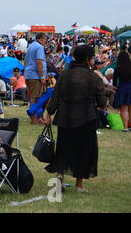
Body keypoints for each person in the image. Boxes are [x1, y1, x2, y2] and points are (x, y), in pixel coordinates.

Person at [44, 45, 106, 193]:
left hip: (65, 116)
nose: (93, 60)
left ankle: (60, 179)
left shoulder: (65, 74)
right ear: (87, 59)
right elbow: (102, 102)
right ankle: (79, 185)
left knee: (64, 148)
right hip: (87, 117)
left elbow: (55, 96)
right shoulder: (94, 77)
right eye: (92, 57)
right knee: (84, 150)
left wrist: (49, 114)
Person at [24, 33, 48, 123]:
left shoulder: (31, 46)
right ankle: (35, 118)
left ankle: (36, 117)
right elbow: (39, 62)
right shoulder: (39, 47)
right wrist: (42, 76)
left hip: (30, 74)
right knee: (37, 97)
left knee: (34, 97)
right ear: (42, 39)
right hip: (36, 76)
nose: (46, 42)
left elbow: (26, 61)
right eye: (45, 40)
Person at [113, 44, 131, 131]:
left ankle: (125, 127)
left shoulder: (117, 69)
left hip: (123, 87)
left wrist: (115, 87)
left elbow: (114, 82)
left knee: (124, 109)